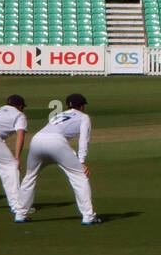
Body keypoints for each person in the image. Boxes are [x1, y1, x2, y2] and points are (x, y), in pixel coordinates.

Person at [14, 94, 100, 226]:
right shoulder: (84, 117)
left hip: (37, 140)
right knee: (79, 177)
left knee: (30, 176)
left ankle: (20, 213)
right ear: (82, 106)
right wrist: (81, 161)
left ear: (68, 106)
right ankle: (88, 216)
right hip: (56, 142)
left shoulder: (58, 115)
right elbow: (83, 140)